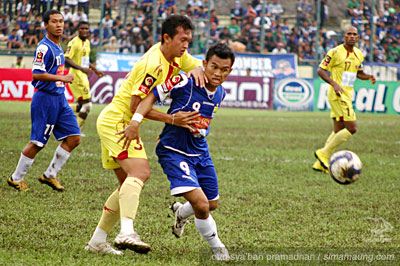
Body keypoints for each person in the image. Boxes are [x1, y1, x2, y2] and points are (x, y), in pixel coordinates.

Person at [85, 14, 206, 255]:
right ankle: (126, 233)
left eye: (189, 41)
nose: (186, 45)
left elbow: (197, 64)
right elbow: (134, 107)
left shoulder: (175, 55)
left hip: (116, 120)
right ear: (167, 38)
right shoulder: (153, 64)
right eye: (182, 40)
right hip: (119, 121)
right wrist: (173, 119)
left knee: (125, 186)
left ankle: (97, 241)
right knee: (140, 172)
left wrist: (204, 68)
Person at [125, 43, 234, 260]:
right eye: (214, 67)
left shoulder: (220, 92)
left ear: (229, 71)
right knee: (202, 205)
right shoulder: (184, 80)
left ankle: (181, 212)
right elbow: (150, 98)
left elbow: (204, 119)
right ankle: (219, 250)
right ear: (204, 64)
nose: (218, 73)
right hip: (174, 151)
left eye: (224, 69)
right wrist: (136, 122)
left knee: (212, 204)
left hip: (200, 151)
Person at [7, 10, 81, 191]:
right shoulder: (44, 47)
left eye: (61, 21)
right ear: (46, 25)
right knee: (38, 142)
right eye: (54, 22)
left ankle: (50, 175)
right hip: (45, 99)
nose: (59, 25)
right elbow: (37, 73)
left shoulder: (58, 45)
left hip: (60, 99)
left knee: (74, 138)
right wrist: (61, 79)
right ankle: (16, 178)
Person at [313, 26, 376, 173]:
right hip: (338, 94)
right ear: (344, 36)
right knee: (352, 128)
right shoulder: (335, 52)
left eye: (355, 34)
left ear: (358, 37)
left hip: (347, 94)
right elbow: (320, 70)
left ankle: (319, 163)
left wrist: (368, 77)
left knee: (338, 129)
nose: (352, 36)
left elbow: (358, 72)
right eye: (349, 34)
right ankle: (324, 153)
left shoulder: (359, 54)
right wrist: (334, 83)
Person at [65, 21, 104, 136]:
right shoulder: (73, 43)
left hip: (83, 77)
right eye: (82, 28)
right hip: (76, 76)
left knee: (82, 105)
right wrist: (81, 68)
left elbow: (85, 60)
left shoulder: (87, 42)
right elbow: (66, 59)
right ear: (78, 29)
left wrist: (96, 70)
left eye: (87, 28)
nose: (85, 31)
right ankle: (75, 130)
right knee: (87, 105)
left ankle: (60, 110)